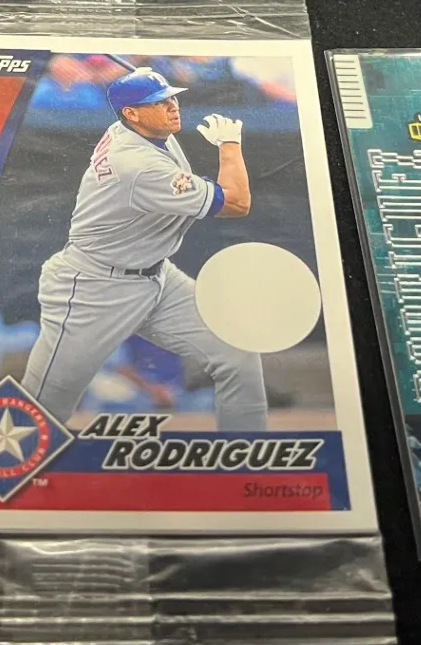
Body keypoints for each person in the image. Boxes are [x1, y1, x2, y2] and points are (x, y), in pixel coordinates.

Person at [20, 68, 266, 429]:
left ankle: (250, 451)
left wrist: (146, 80)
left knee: (236, 349)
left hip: (156, 275)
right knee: (42, 408)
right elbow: (236, 203)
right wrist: (229, 145)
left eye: (171, 97)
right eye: (159, 102)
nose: (172, 106)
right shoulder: (137, 164)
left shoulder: (136, 128)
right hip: (95, 287)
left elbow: (138, 102)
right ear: (132, 114)